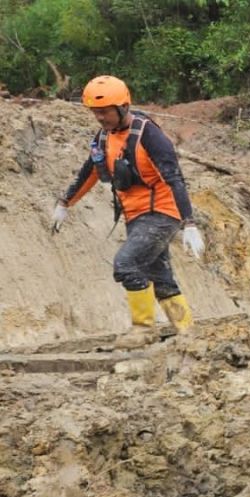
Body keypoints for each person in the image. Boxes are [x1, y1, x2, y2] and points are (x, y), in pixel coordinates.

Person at [52, 75, 205, 347]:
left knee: (126, 264)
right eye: (95, 112)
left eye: (105, 111)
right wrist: (65, 203)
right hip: (134, 216)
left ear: (123, 107)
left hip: (161, 213)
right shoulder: (104, 137)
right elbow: (91, 171)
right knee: (160, 277)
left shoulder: (149, 135)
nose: (100, 117)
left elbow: (174, 178)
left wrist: (189, 222)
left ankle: (143, 329)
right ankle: (188, 333)